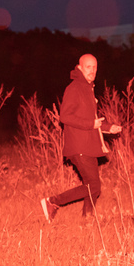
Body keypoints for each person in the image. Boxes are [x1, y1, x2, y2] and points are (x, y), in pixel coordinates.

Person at [39, 53, 121, 221]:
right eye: (88, 67)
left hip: (89, 145)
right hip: (79, 145)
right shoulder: (75, 88)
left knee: (92, 186)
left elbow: (93, 120)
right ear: (80, 68)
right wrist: (90, 124)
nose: (92, 71)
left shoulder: (88, 88)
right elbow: (65, 116)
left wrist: (108, 128)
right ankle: (52, 202)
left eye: (94, 67)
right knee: (94, 186)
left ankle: (87, 218)